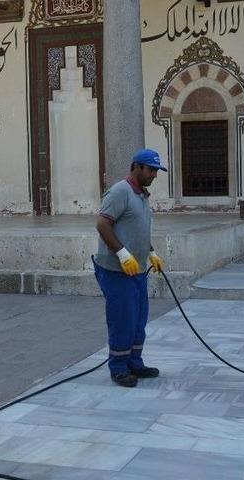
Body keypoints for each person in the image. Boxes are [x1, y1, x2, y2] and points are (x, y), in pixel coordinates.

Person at [93, 148, 167, 388]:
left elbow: (138, 229)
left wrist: (151, 252)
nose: (154, 175)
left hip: (136, 271)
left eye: (156, 170)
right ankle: (118, 367)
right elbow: (102, 224)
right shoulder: (120, 192)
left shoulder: (142, 195)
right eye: (151, 169)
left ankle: (134, 362)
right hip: (116, 271)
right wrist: (122, 254)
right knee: (122, 319)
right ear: (136, 167)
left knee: (138, 319)